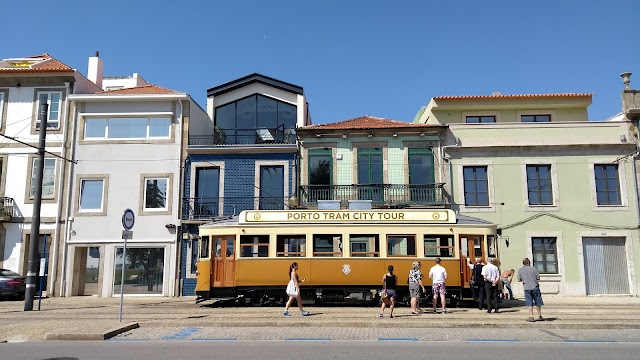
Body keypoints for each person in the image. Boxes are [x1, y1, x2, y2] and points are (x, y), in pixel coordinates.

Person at [518, 257, 544, 322]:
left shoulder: (520, 270)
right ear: (529, 262)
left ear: (523, 263)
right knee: (538, 302)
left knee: (529, 303)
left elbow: (519, 279)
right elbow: (538, 278)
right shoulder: (534, 269)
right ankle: (540, 316)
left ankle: (531, 316)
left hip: (527, 288)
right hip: (535, 287)